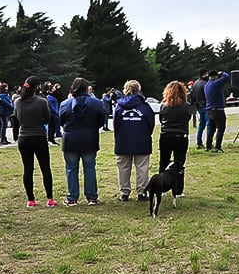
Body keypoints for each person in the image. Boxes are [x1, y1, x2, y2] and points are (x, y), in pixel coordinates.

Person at [59, 77, 106, 205]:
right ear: (86, 88)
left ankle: (72, 197)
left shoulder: (65, 104)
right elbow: (102, 120)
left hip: (71, 139)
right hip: (90, 138)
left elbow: (61, 121)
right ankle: (92, 197)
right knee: (90, 167)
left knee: (71, 169)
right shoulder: (96, 103)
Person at [14, 76, 57, 207]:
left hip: (24, 137)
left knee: (28, 169)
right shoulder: (42, 102)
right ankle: (50, 198)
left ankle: (31, 199)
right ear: (37, 87)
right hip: (38, 136)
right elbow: (47, 119)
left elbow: (17, 117)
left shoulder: (17, 102)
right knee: (45, 168)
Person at [113, 79, 156, 200]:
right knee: (142, 168)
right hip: (141, 140)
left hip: (123, 140)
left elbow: (116, 125)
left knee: (123, 167)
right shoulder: (145, 106)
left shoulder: (119, 106)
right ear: (139, 90)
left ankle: (124, 193)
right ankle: (142, 192)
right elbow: (150, 123)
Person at [157, 80, 192, 198]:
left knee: (163, 162)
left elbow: (161, 120)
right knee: (179, 163)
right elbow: (187, 118)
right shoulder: (186, 106)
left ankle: (161, 187)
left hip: (166, 135)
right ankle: (178, 190)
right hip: (181, 136)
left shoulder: (163, 106)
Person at [203, 70, 229, 152]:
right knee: (221, 128)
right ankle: (218, 147)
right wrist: (221, 73)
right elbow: (226, 76)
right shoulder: (216, 83)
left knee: (211, 129)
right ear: (216, 76)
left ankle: (208, 146)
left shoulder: (206, 85)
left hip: (209, 109)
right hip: (218, 109)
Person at [191, 70, 209, 149]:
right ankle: (209, 142)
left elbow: (192, 96)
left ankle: (199, 142)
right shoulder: (205, 84)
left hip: (199, 106)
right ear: (204, 74)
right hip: (206, 105)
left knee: (201, 125)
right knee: (209, 124)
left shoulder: (195, 84)